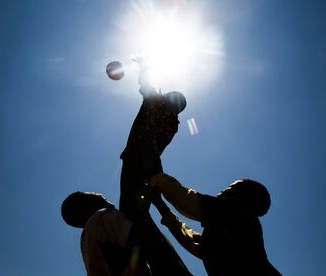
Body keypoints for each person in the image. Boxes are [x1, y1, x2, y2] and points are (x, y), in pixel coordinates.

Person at [118, 57, 190, 276]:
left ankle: (159, 264)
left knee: (131, 215)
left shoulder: (157, 104)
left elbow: (145, 86)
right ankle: (166, 265)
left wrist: (144, 68)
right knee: (138, 213)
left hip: (138, 159)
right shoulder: (173, 122)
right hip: (152, 166)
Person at [149, 173, 282, 276]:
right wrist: (160, 204)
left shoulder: (239, 212)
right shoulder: (225, 239)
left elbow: (189, 202)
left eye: (230, 189)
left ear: (244, 199)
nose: (222, 192)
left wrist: (157, 178)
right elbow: (189, 238)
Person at [61, 192, 151, 275]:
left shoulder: (85, 243)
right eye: (92, 194)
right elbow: (142, 240)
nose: (99, 194)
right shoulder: (101, 217)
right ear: (88, 204)